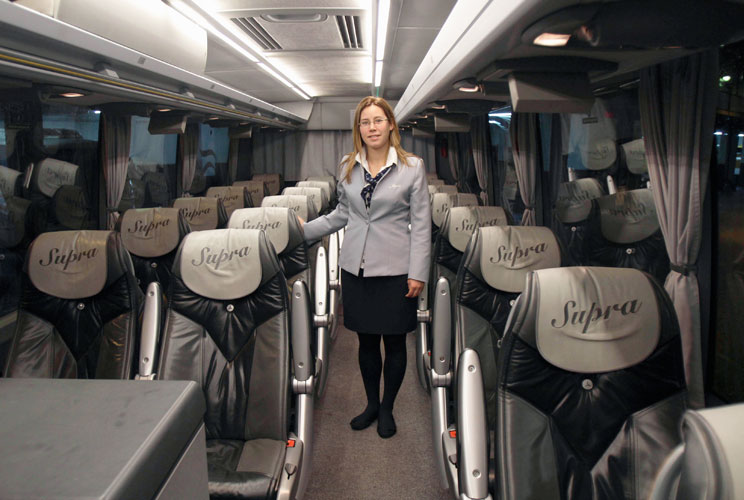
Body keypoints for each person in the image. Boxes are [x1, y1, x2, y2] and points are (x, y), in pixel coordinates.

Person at [301, 96, 431, 438]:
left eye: (377, 120)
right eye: (364, 122)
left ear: (390, 124)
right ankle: (371, 403)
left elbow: (421, 224)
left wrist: (418, 272)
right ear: (358, 128)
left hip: (397, 269)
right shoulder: (348, 165)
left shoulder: (412, 167)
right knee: (367, 344)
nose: (371, 128)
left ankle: (388, 407)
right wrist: (301, 231)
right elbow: (341, 215)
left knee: (397, 344)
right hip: (355, 269)